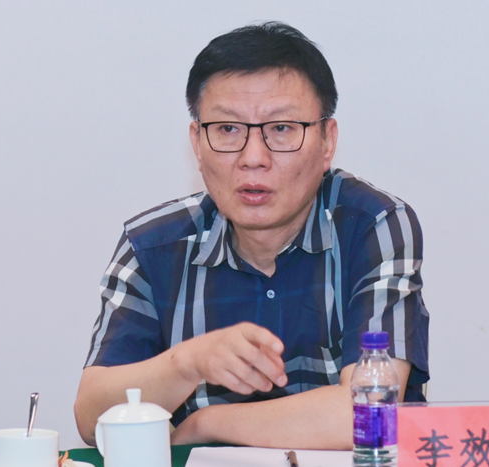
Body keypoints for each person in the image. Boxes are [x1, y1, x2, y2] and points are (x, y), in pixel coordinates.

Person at [74, 22, 429, 450]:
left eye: (282, 129)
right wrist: (187, 364)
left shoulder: (373, 225)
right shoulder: (153, 245)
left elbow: (368, 414)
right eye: (227, 129)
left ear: (327, 141)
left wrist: (205, 424)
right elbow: (91, 418)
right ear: (197, 143)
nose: (253, 158)